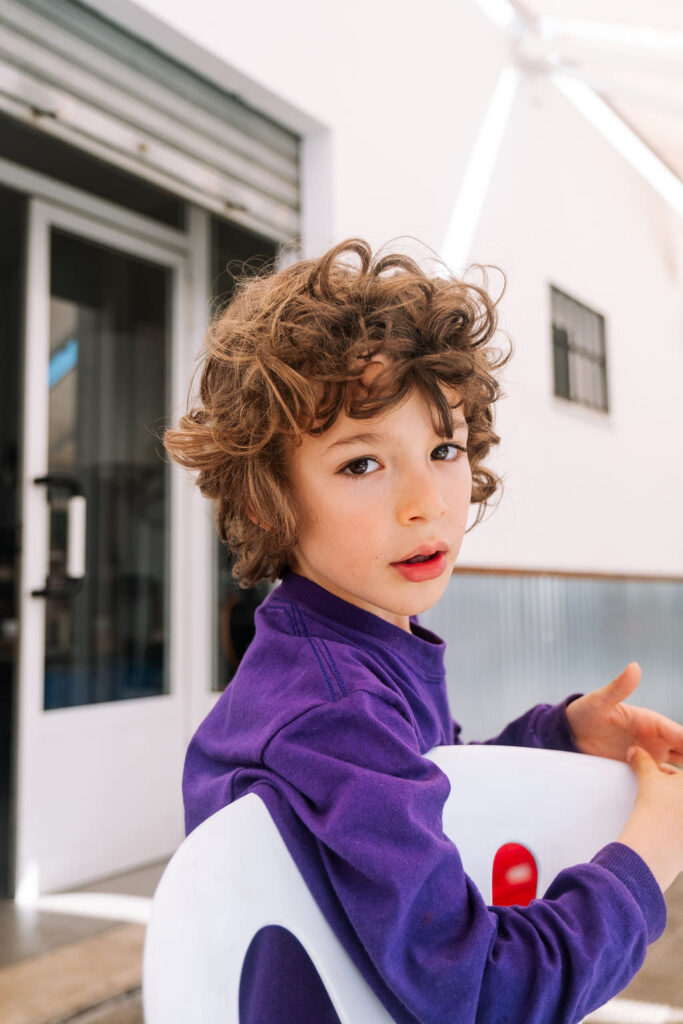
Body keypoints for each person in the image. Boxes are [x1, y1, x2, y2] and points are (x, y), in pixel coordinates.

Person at [163, 239, 683, 1024]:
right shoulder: (332, 712)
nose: (426, 502)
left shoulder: (340, 657)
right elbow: (482, 997)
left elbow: (413, 800)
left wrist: (556, 738)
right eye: (361, 464)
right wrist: (646, 858)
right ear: (268, 501)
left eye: (443, 449)